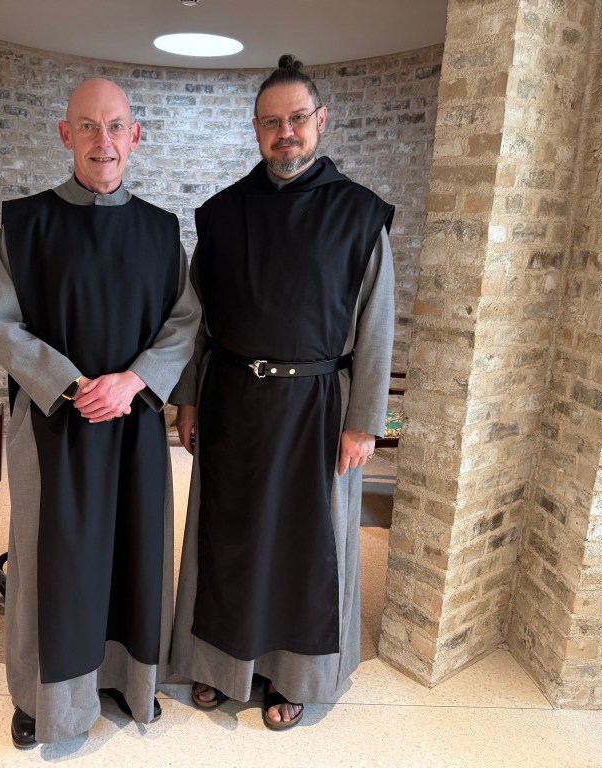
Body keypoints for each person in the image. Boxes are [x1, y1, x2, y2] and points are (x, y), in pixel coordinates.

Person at [170, 54, 396, 731]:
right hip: (233, 404)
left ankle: (293, 676)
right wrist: (188, 399)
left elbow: (377, 323)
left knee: (303, 552)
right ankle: (220, 667)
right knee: (229, 541)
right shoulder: (222, 215)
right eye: (271, 122)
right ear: (256, 129)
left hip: (319, 410)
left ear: (321, 121)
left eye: (297, 118)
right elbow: (197, 319)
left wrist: (364, 421)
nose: (285, 132)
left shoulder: (359, 215)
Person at [0, 77, 200, 749]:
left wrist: (134, 380)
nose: (101, 140)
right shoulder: (25, 226)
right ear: (65, 134)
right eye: (87, 126)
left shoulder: (161, 232)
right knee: (52, 563)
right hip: (55, 423)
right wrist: (75, 386)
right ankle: (41, 698)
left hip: (134, 423)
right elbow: (2, 326)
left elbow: (184, 323)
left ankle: (129, 681)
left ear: (134, 137)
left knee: (135, 553)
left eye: (114, 127)